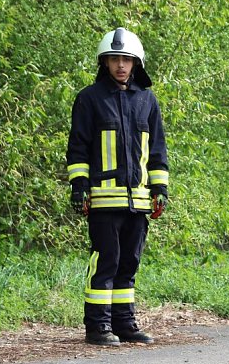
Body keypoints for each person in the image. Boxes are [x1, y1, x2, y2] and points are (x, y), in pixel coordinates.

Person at [66, 27, 169, 346]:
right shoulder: (89, 99)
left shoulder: (147, 100)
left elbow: (157, 152)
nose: (120, 65)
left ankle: (124, 323)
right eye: (114, 59)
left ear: (136, 63)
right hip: (102, 200)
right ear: (105, 63)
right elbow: (78, 148)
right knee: (106, 260)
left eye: (126, 59)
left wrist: (159, 189)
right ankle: (97, 326)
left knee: (129, 262)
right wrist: (79, 186)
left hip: (138, 202)